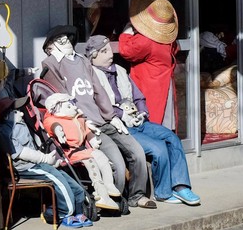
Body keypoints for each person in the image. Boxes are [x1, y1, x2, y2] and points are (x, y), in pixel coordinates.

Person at [41, 24, 154, 210]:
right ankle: (115, 202)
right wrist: (81, 122)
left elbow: (98, 91)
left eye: (68, 38)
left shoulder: (84, 61)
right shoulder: (51, 64)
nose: (67, 42)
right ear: (51, 46)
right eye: (61, 40)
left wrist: (112, 116)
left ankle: (137, 195)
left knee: (137, 152)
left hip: (104, 119)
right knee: (116, 161)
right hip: (87, 125)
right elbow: (59, 100)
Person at [85, 35, 201, 206]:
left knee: (172, 138)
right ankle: (162, 192)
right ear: (93, 56)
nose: (110, 53)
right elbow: (98, 106)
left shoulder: (120, 70)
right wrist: (120, 114)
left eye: (109, 49)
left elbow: (138, 97)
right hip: (119, 127)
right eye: (104, 51)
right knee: (158, 148)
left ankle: (181, 186)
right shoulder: (91, 76)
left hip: (137, 121)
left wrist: (142, 112)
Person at [0, 88, 91, 228]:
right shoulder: (5, 130)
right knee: (59, 182)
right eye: (15, 111)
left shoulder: (19, 125)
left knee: (72, 184)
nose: (20, 113)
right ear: (6, 115)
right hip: (26, 168)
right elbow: (21, 152)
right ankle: (61, 213)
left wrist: (51, 161)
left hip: (37, 164)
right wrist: (45, 159)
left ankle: (77, 212)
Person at [41, 91, 121, 211]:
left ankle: (109, 184)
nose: (74, 107)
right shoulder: (53, 119)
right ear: (58, 111)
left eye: (72, 104)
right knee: (91, 163)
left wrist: (92, 139)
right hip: (71, 153)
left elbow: (87, 131)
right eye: (69, 106)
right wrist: (57, 129)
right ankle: (102, 193)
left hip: (85, 149)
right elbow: (51, 124)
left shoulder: (78, 119)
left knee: (102, 157)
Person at [119, 0, 181, 130]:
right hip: (165, 84)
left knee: (151, 123)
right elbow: (175, 49)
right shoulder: (168, 39)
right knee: (165, 123)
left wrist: (125, 34)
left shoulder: (146, 40)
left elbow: (127, 51)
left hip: (150, 86)